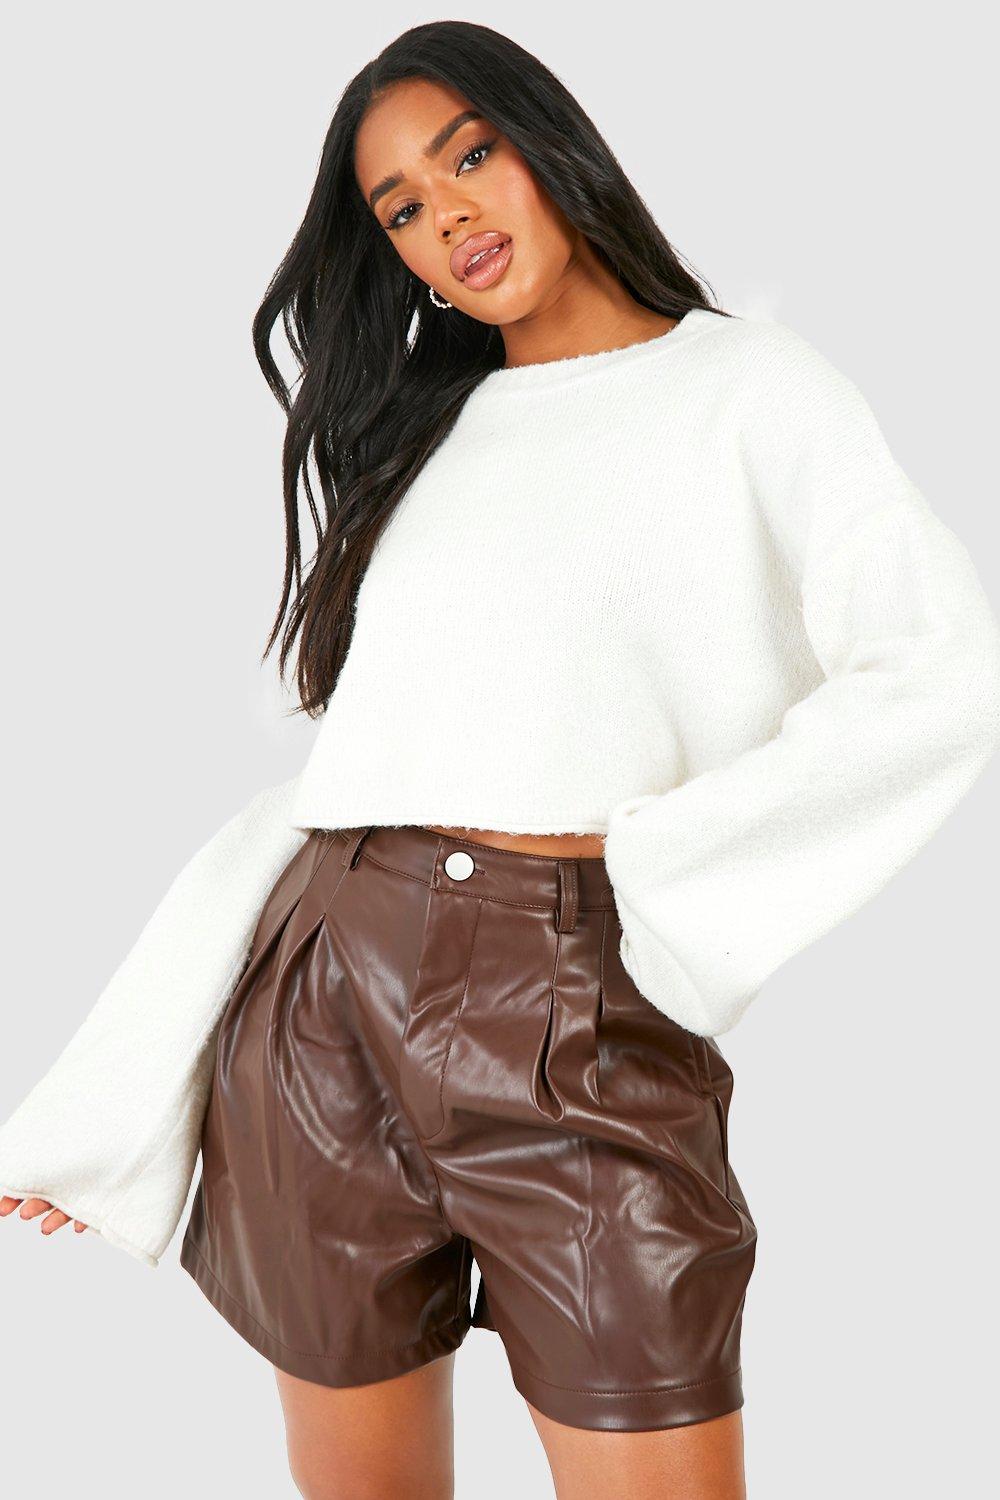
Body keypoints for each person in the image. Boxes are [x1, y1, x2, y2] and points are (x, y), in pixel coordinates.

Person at [3, 19, 999, 1500]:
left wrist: (668, 872)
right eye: (403, 206)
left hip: (575, 1010)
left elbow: (939, 669)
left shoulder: (752, 388)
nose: (449, 215)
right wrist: (113, 1101)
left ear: (553, 145)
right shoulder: (430, 431)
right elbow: (347, 786)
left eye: (470, 155)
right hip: (320, 1019)